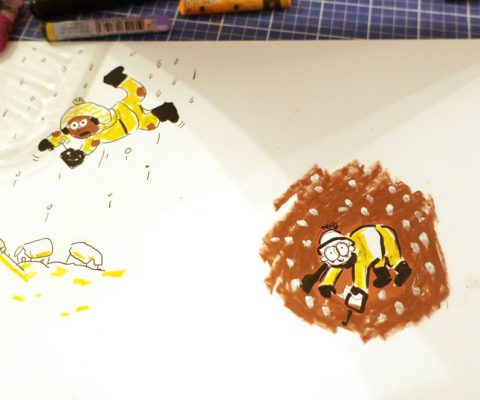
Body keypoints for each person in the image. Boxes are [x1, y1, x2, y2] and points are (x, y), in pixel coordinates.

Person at [38, 66, 179, 168]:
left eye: (81, 123)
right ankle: (166, 111)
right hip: (134, 123)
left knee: (139, 92)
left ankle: (118, 79)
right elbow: (67, 135)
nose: (83, 128)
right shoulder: (94, 135)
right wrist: (76, 151)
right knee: (150, 124)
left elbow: (101, 115)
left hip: (126, 108)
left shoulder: (102, 116)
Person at [302, 223, 412, 313]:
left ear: (348, 245)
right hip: (371, 250)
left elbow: (360, 273)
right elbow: (335, 267)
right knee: (378, 263)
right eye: (332, 253)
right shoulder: (341, 256)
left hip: (383, 236)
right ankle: (384, 277)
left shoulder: (358, 254)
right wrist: (327, 284)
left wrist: (358, 291)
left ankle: (403, 270)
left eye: (341, 248)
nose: (340, 256)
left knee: (392, 259)